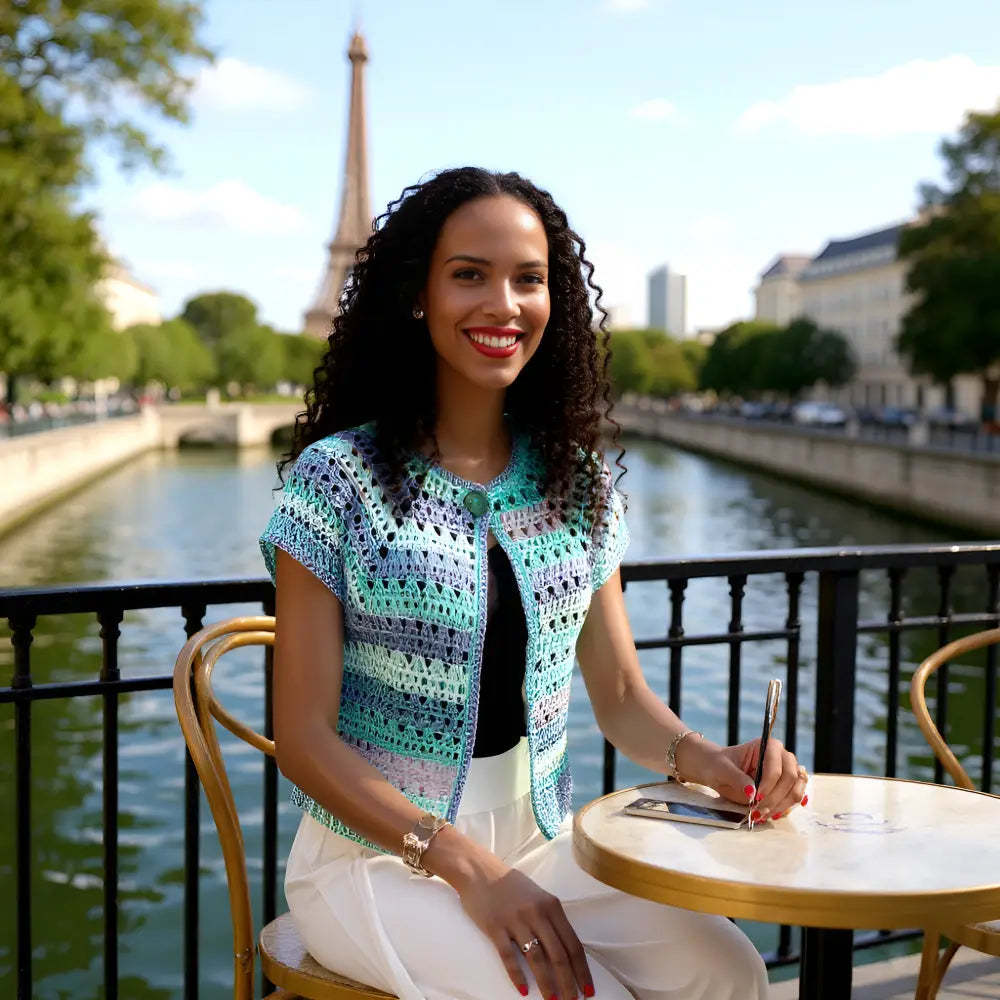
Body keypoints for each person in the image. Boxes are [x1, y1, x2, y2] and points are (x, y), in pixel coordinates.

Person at [261, 167, 807, 1000]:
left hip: (537, 845)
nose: (503, 305)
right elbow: (301, 738)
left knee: (728, 971)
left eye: (529, 279)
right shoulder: (337, 480)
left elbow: (620, 693)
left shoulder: (576, 485)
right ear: (418, 294)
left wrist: (715, 762)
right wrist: (462, 865)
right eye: (469, 274)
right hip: (373, 860)